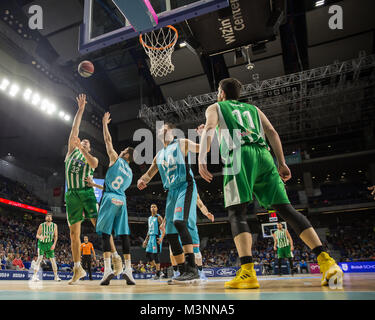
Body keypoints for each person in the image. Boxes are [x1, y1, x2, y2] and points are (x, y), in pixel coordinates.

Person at [198, 77, 343, 289]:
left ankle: (247, 272)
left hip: (239, 157)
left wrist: (202, 157)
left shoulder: (216, 106)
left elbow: (211, 127)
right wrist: (282, 163)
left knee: (237, 212)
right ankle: (327, 262)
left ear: (221, 92)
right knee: (285, 209)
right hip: (264, 156)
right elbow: (272, 133)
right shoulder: (254, 110)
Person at [137, 123, 201, 283]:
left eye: (167, 128)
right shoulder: (159, 155)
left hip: (185, 185)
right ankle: (182, 272)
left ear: (173, 133)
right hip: (171, 191)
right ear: (158, 135)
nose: (164, 130)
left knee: (180, 222)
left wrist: (205, 134)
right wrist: (142, 179)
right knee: (171, 233)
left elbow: (202, 148)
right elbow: (150, 173)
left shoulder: (182, 143)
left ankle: (193, 269)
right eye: (161, 129)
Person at [92, 112, 136, 286]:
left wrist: (104, 124)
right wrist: (95, 185)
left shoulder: (115, 159)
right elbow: (116, 187)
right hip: (121, 200)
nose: (122, 150)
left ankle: (108, 269)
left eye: (124, 150)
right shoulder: (131, 173)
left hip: (109, 198)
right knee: (124, 234)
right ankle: (129, 270)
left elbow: (108, 141)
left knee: (105, 233)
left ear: (125, 155)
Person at [64, 94, 99, 285]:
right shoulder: (71, 151)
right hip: (71, 195)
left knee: (98, 225)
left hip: (85, 193)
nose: (84, 141)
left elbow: (93, 162)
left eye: (87, 142)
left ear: (89, 147)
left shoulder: (89, 158)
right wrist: (80, 110)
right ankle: (78, 269)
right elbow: (74, 128)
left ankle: (113, 259)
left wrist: (84, 149)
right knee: (73, 233)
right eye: (82, 141)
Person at [166, 192, 214, 284]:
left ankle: (200, 273)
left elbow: (201, 204)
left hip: (190, 224)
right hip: (177, 224)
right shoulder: (176, 192)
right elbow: (170, 210)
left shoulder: (193, 191)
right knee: (174, 252)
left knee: (196, 251)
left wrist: (206, 213)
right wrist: (165, 222)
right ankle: (178, 273)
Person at [32, 213, 61, 281]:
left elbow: (56, 236)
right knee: (40, 258)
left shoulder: (54, 226)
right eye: (47, 216)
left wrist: (54, 244)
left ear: (52, 219)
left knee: (53, 260)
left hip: (49, 244)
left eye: (50, 216)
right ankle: (34, 276)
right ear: (45, 218)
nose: (49, 217)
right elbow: (37, 235)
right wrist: (41, 237)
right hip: (42, 243)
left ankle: (56, 276)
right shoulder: (42, 225)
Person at [142, 204, 165, 280]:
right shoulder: (149, 218)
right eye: (151, 207)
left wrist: (161, 238)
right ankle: (159, 271)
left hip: (156, 237)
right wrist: (146, 240)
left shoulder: (158, 217)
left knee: (156, 255)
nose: (153, 208)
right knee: (147, 255)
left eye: (154, 207)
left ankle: (158, 274)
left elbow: (163, 228)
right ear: (150, 209)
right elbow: (149, 230)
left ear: (157, 208)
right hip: (150, 238)